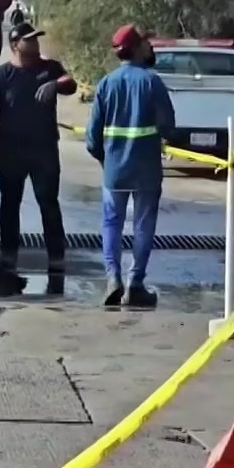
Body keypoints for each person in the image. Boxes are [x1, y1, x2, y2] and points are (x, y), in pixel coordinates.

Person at [0, 21, 78, 277]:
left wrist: (55, 85)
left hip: (44, 151)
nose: (34, 43)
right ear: (14, 45)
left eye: (36, 39)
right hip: (10, 152)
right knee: (9, 204)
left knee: (48, 203)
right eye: (28, 40)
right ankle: (8, 256)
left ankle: (56, 258)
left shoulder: (50, 69)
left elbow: (70, 83)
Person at [85, 24, 175, 308]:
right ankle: (135, 283)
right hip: (146, 169)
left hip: (115, 169)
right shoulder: (152, 82)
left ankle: (113, 278)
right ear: (136, 48)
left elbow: (92, 137)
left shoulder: (106, 84)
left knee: (111, 222)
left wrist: (105, 159)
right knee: (143, 224)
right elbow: (168, 126)